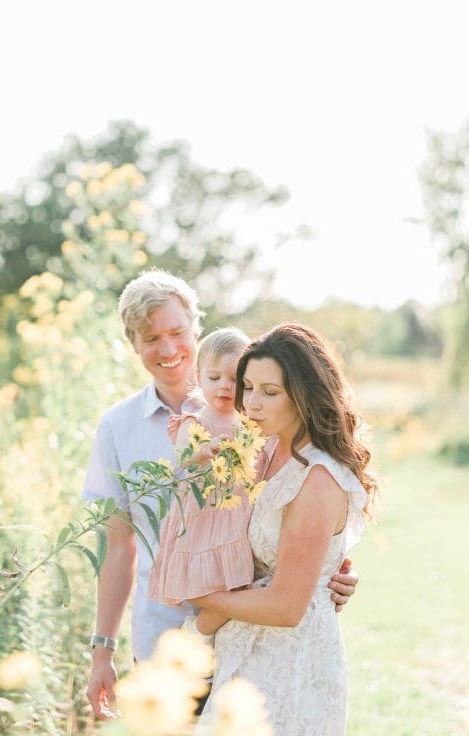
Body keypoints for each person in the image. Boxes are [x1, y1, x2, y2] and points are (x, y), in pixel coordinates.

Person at [82, 272, 359, 720]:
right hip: (164, 639)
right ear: (133, 345)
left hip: (248, 640)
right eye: (151, 338)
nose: (168, 349)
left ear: (197, 328)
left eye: (176, 332)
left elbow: (302, 507)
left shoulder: (257, 410)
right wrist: (102, 652)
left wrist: (335, 570)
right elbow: (118, 547)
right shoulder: (118, 428)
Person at [189, 322, 381, 736]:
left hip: (289, 662)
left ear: (304, 395)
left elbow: (286, 607)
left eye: (270, 392)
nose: (251, 404)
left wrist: (205, 597)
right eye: (249, 387)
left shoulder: (318, 478)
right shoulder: (268, 446)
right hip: (242, 648)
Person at [148, 326, 265, 606]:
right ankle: (203, 624)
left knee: (237, 582)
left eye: (235, 379)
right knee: (208, 585)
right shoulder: (195, 421)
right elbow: (183, 457)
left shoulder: (247, 423)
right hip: (205, 511)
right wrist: (204, 450)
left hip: (236, 508)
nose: (224, 386)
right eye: (214, 377)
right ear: (199, 379)